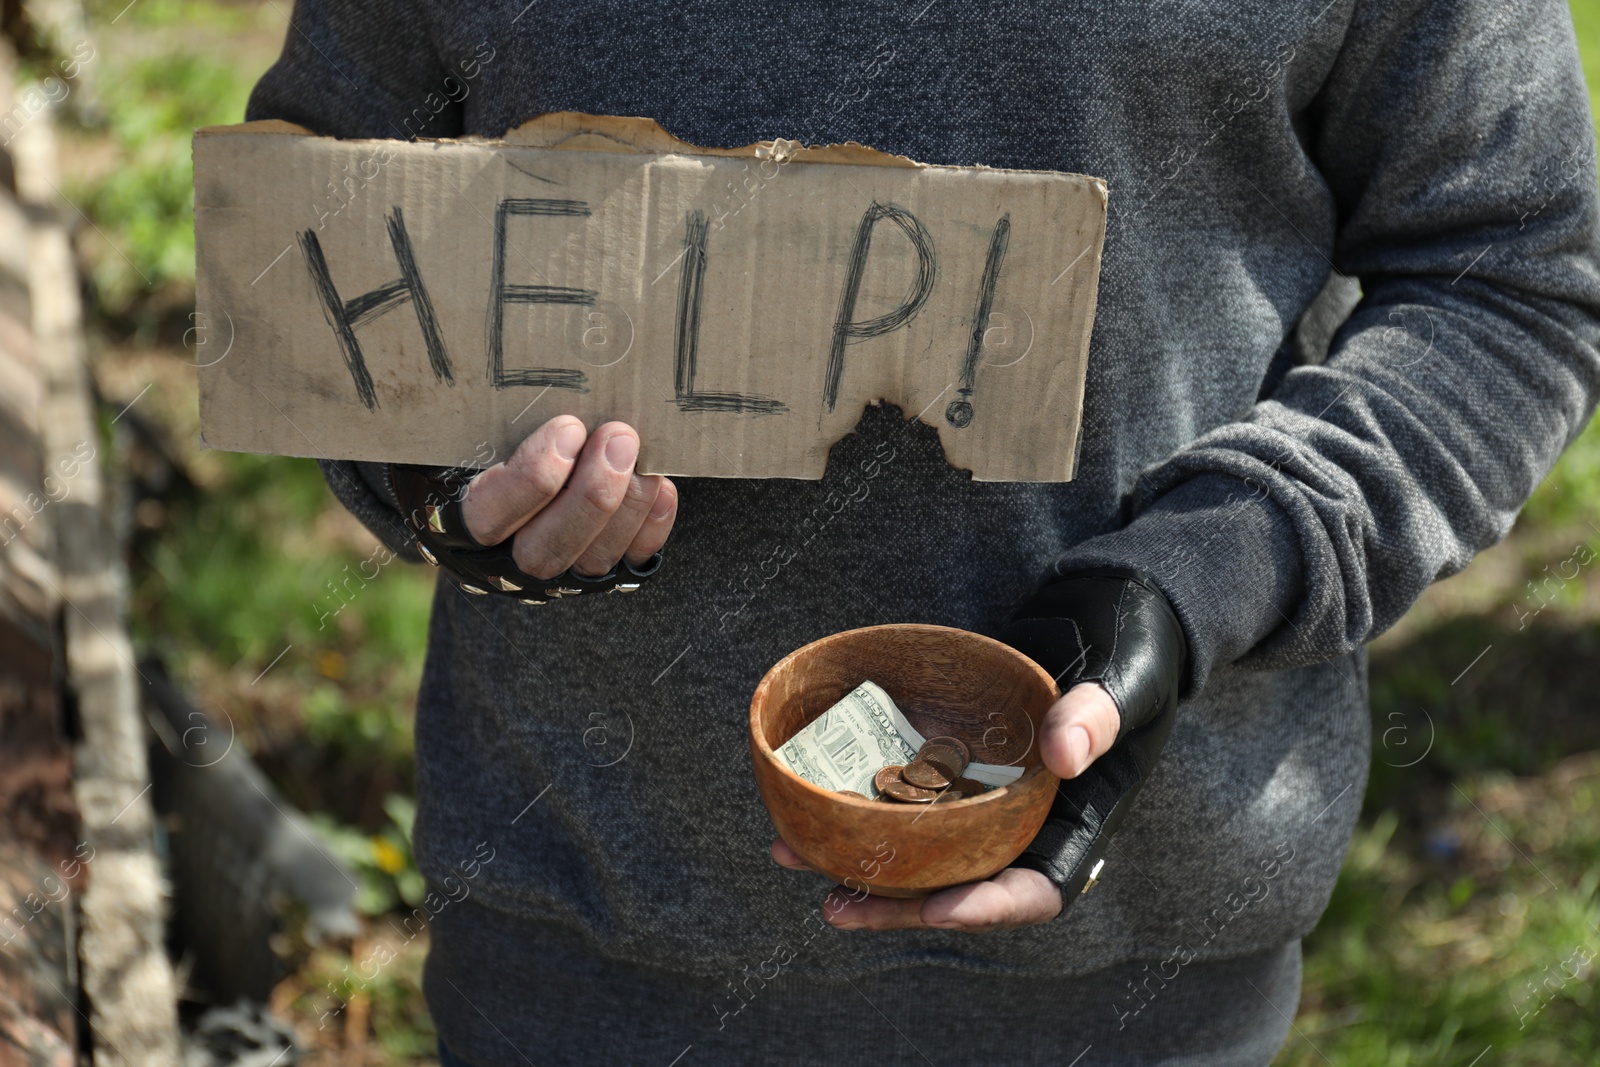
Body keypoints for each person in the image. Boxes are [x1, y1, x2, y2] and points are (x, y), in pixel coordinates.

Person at [245, 0, 1599, 1063]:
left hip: (1136, 986)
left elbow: (1513, 275)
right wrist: (450, 492)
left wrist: (1210, 573)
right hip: (585, 951)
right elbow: (314, 234)